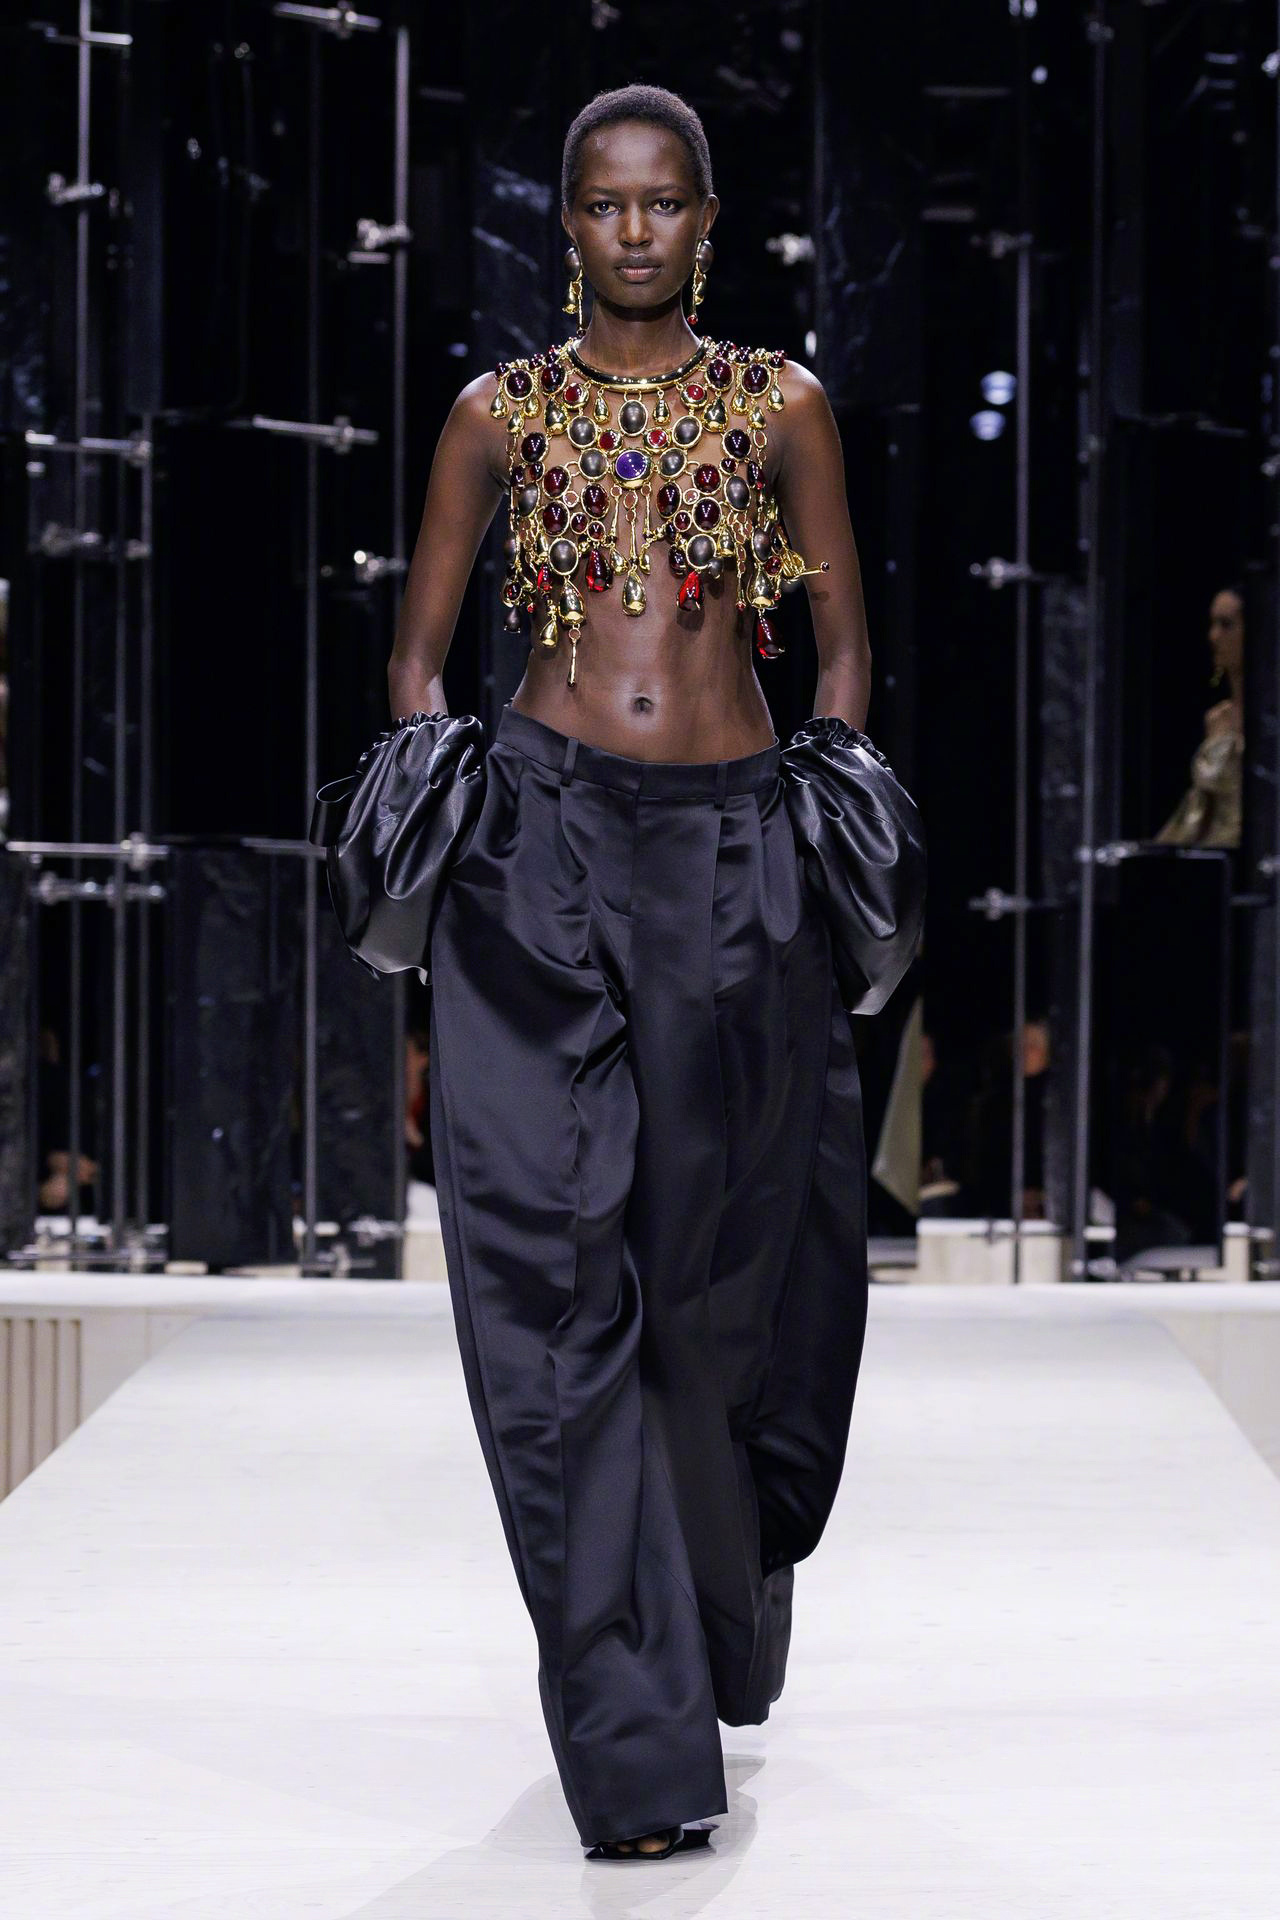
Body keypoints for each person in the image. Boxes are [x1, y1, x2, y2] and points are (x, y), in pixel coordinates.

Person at [381, 84, 921, 1862]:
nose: (634, 230)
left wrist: (818, 815)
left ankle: (715, 1619)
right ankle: (632, 1746)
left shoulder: (781, 407)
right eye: (606, 204)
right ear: (566, 223)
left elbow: (842, 651)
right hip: (539, 848)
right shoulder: (495, 415)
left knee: (712, 1286)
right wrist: (460, 816)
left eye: (664, 201)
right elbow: (420, 658)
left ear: (707, 219)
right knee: (551, 1285)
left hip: (730, 854)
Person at [1154, 585, 1245, 849]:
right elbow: (1200, 810)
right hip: (1218, 855)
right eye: (1212, 624)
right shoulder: (1217, 719)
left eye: (1226, 624)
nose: (1213, 636)